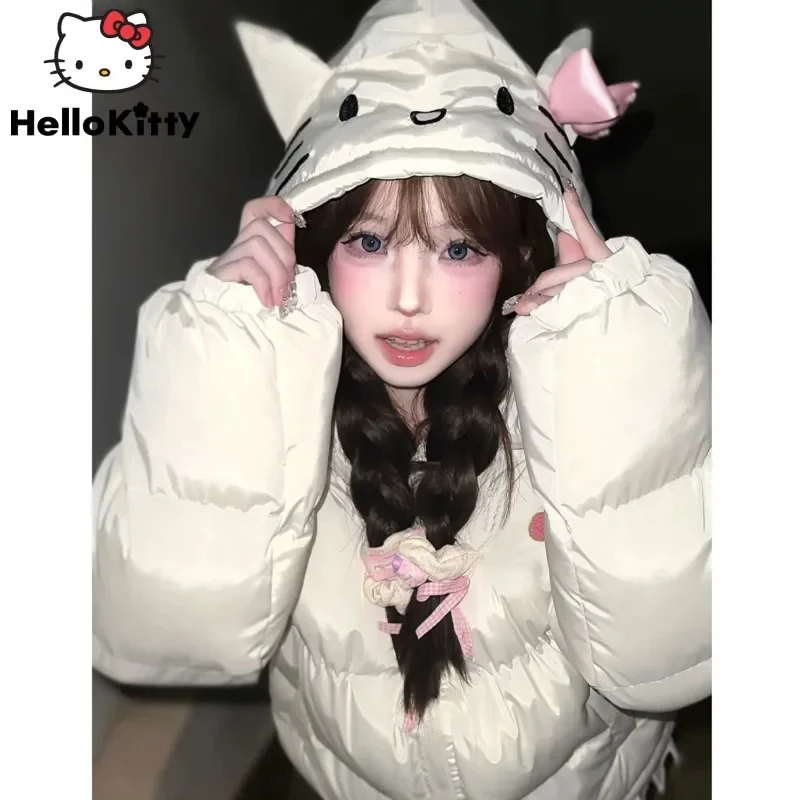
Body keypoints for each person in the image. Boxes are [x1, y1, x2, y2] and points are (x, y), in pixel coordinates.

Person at [92, 2, 711, 798]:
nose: (409, 298)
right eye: (370, 241)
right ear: (314, 241)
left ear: (524, 249)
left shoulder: (582, 380)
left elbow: (679, 649)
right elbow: (155, 634)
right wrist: (219, 351)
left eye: (459, 248)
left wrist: (621, 354)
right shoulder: (269, 396)